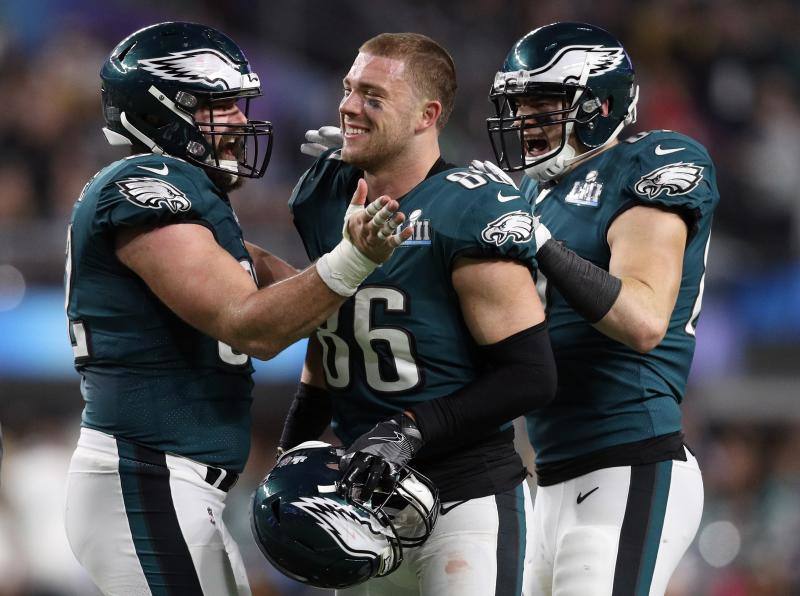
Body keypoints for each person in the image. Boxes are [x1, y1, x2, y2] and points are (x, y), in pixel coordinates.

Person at [62, 22, 410, 596]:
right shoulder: (147, 182)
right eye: (220, 105)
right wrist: (355, 255)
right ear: (162, 112)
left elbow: (306, 301)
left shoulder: (191, 203)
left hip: (172, 483)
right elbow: (251, 324)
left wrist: (353, 194)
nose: (242, 120)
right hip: (146, 475)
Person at [279, 32, 558, 596]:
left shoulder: (466, 206)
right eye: (349, 89)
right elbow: (333, 337)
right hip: (362, 502)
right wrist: (293, 446)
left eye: (374, 97)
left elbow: (531, 374)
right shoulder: (324, 193)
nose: (350, 107)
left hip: (464, 494)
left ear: (426, 115)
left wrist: (410, 430)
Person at [479, 22, 718, 595]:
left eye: (543, 104)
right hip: (551, 477)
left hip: (629, 462)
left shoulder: (649, 163)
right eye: (518, 105)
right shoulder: (534, 195)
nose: (525, 122)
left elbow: (641, 319)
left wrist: (537, 242)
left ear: (600, 105)